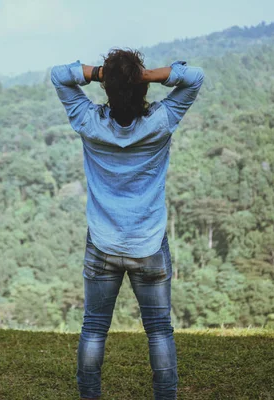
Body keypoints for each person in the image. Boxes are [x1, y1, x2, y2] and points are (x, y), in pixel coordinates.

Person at [50, 48, 205, 400]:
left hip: (103, 245)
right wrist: (144, 75)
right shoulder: (161, 121)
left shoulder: (88, 122)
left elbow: (59, 74)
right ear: (141, 86)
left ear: (107, 87)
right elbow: (195, 77)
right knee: (159, 332)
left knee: (93, 329)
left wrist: (107, 74)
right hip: (148, 245)